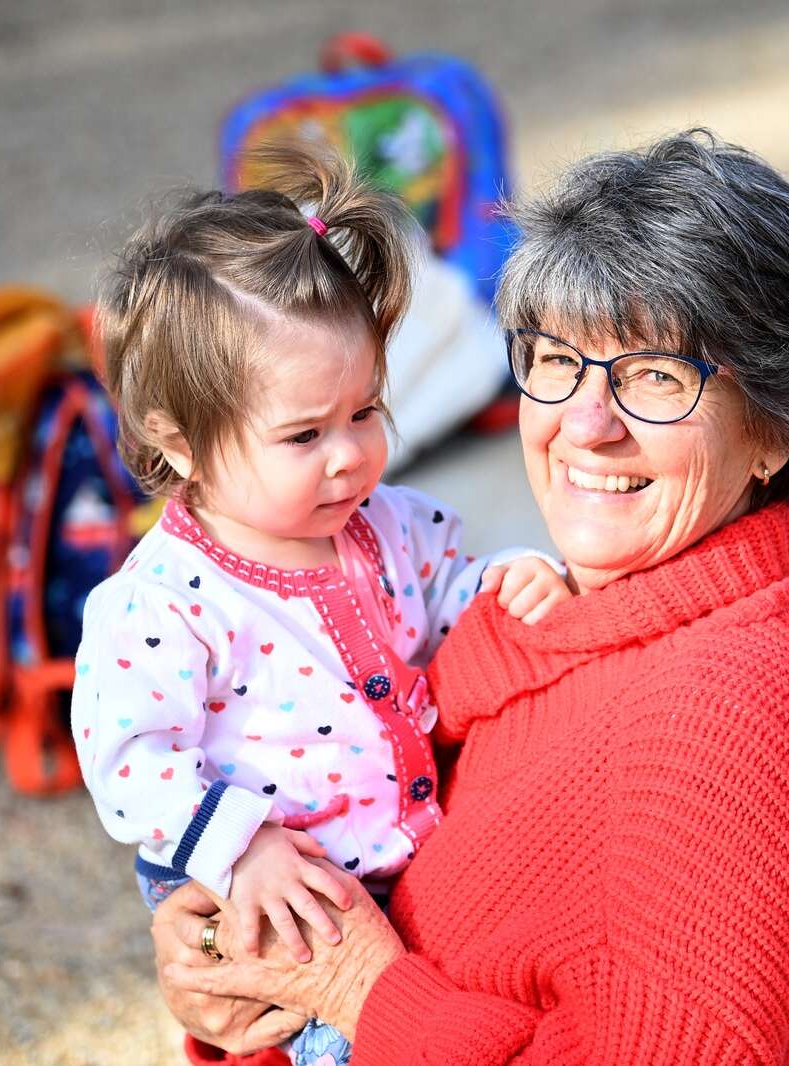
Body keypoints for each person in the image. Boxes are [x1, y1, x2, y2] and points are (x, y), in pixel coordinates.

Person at [150, 128, 789, 1065]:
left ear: (776, 431)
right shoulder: (519, 623)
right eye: (556, 361)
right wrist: (237, 974)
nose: (586, 425)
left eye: (655, 377)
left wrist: (362, 993)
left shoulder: (732, 714)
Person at [70, 142, 569, 1066]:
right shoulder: (163, 603)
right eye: (303, 433)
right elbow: (131, 758)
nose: (349, 455)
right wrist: (240, 848)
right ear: (179, 444)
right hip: (275, 883)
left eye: (365, 411)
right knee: (343, 1041)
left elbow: (445, 597)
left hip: (393, 849)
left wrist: (503, 583)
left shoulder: (392, 523)